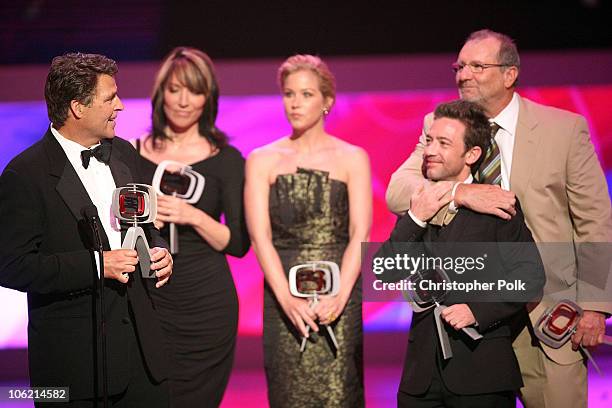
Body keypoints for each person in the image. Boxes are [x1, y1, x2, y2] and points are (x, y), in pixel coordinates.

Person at [386, 29, 612, 408]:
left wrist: (595, 304)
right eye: (459, 66)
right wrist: (461, 192)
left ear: (509, 75)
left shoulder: (563, 129)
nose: (463, 74)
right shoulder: (440, 125)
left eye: (477, 65)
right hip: (467, 316)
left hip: (546, 307)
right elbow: (397, 190)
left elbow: (594, 220)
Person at [0, 53, 173, 407]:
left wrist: (159, 250)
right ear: (78, 107)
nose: (121, 106)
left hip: (143, 362)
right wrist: (98, 265)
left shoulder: (124, 153)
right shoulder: (25, 174)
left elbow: (144, 223)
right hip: (75, 368)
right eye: (110, 98)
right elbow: (11, 265)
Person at [379, 99, 545, 407]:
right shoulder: (416, 205)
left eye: (443, 143)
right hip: (420, 379)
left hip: (480, 373)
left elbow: (530, 276)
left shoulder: (496, 205)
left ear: (472, 154)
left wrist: (477, 309)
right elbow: (386, 270)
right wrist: (415, 219)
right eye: (429, 140)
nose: (429, 150)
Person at [245, 54, 372, 407]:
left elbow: (361, 232)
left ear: (327, 101)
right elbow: (260, 237)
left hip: (340, 295)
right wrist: (287, 298)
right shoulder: (262, 159)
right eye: (289, 94)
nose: (295, 103)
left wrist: (340, 296)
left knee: (340, 393)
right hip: (283, 297)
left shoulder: (352, 157)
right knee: (289, 394)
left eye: (306, 94)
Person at [133, 46, 250, 407]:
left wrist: (193, 216)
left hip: (206, 304)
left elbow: (239, 243)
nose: (184, 101)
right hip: (147, 298)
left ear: (208, 97)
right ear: (160, 94)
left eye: (195, 91)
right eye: (175, 89)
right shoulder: (130, 152)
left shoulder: (227, 159)